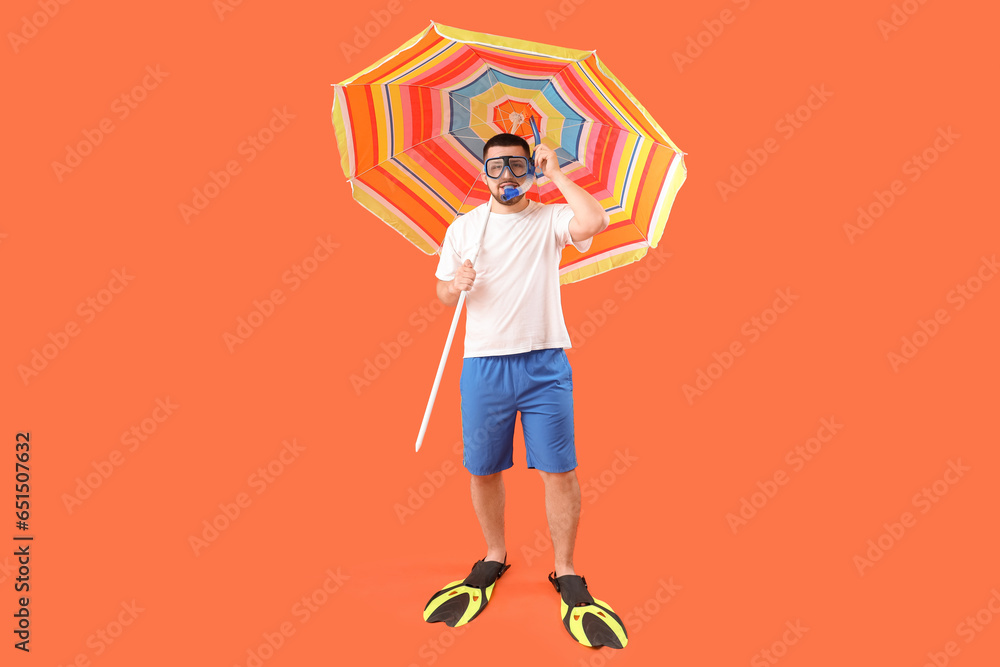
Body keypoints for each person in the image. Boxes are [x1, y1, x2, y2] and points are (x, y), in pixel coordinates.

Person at [421, 133, 629, 649]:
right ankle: (495, 555)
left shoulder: (548, 219)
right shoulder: (464, 228)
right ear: (485, 171)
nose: (507, 176)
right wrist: (457, 283)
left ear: (529, 170)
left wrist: (557, 174)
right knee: (483, 468)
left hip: (545, 362)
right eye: (497, 167)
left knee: (560, 469)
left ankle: (566, 570)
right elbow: (442, 292)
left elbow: (593, 222)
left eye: (518, 165)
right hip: (484, 364)